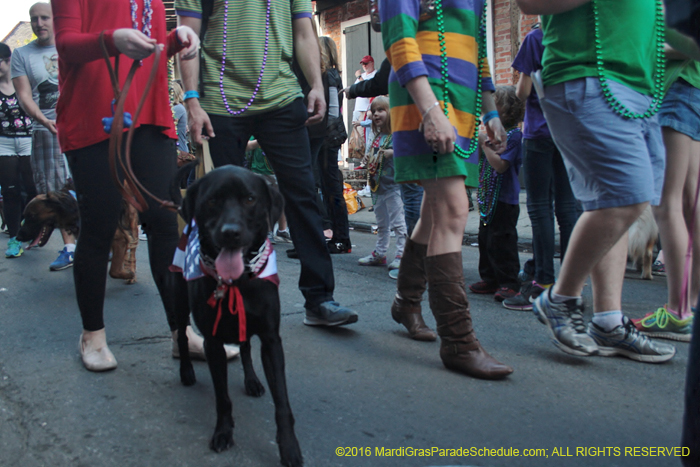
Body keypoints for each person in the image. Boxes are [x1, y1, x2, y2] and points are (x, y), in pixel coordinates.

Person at [50, 0, 235, 372]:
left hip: (150, 113)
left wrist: (172, 40)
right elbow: (66, 44)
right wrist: (113, 39)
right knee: (100, 225)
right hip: (93, 114)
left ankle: (181, 332)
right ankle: (93, 334)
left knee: (167, 225)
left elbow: (145, 45)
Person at [176, 0, 358, 327]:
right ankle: (228, 298)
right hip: (221, 101)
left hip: (282, 97)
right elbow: (187, 34)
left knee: (302, 195)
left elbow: (304, 32)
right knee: (222, 206)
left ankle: (319, 299)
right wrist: (191, 100)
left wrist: (316, 84)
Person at [516, 0, 675, 362]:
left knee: (617, 204)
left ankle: (608, 322)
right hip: (590, 76)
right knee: (626, 196)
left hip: (640, 87)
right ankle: (560, 298)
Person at [380, 0, 512, 378]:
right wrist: (431, 111)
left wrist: (490, 112)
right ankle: (458, 342)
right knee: (453, 208)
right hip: (426, 98)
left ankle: (406, 302)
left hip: (462, 103)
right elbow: (399, 38)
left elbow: (477, 47)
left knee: (435, 210)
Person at [502, 24, 580, 311]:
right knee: (568, 208)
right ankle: (572, 287)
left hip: (540, 132)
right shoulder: (578, 30)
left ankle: (543, 283)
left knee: (539, 208)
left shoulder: (537, 37)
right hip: (570, 131)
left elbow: (522, 92)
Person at [632, 60, 700, 342]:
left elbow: (682, 40)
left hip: (677, 85)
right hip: (693, 85)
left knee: (667, 204)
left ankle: (678, 311)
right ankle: (689, 306)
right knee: (691, 203)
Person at [11, 2, 75, 271]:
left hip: (78, 125)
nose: (39, 23)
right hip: (45, 129)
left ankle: (96, 242)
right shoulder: (21, 54)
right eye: (34, 19)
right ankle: (70, 248)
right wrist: (43, 119)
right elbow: (24, 96)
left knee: (85, 185)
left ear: (55, 19)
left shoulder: (70, 45)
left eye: (44, 17)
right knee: (55, 190)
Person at [469, 85, 524, 302]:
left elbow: (500, 165)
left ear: (508, 109)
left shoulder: (514, 136)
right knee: (485, 240)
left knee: (503, 241)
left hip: (505, 200)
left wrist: (484, 145)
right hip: (489, 199)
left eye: (496, 104)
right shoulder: (494, 135)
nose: (489, 108)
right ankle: (490, 278)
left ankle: (509, 282)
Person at [357, 96, 406, 271]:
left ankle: (402, 254)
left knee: (398, 222)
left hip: (393, 186)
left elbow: (407, 151)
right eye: (374, 111)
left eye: (381, 110)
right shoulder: (375, 135)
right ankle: (380, 253)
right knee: (382, 222)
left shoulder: (397, 135)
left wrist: (391, 153)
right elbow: (372, 153)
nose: (376, 114)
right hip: (377, 185)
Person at [0, 42, 37, 258]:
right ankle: (14, 239)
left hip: (28, 139)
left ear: (7, 60)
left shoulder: (23, 80)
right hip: (4, 142)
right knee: (10, 191)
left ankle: (31, 227)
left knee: (32, 189)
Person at [317, 36, 351, 254]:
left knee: (332, 188)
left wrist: (320, 136)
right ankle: (337, 237)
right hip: (327, 137)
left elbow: (331, 111)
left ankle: (341, 238)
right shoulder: (329, 75)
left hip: (328, 138)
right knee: (328, 186)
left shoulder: (329, 75)